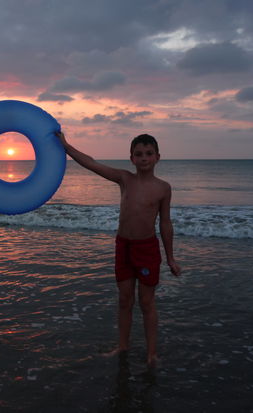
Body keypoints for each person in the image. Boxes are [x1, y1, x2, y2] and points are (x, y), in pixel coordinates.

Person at [55, 131, 181, 367]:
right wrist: (66, 146)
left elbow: (165, 223)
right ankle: (123, 346)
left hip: (147, 249)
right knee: (124, 300)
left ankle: (151, 354)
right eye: (139, 154)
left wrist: (171, 258)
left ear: (157, 157)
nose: (144, 158)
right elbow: (92, 163)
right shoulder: (124, 179)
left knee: (146, 302)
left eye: (149, 154)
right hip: (123, 246)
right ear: (132, 158)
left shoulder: (163, 188)